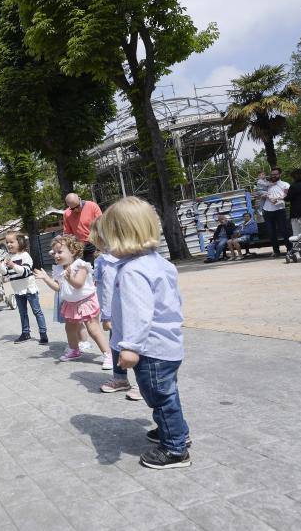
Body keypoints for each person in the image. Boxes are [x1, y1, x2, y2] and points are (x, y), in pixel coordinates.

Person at [100, 196, 191, 469]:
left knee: (160, 399)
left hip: (149, 349)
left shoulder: (132, 271)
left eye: (107, 238)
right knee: (168, 394)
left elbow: (139, 314)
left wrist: (129, 347)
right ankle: (177, 432)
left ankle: (175, 450)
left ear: (121, 237)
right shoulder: (160, 263)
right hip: (168, 345)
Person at [33, 235, 112, 369]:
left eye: (60, 252)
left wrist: (69, 278)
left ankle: (108, 354)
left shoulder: (80, 265)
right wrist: (46, 278)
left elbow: (79, 284)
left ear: (73, 251)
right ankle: (74, 350)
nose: (56, 255)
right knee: (69, 328)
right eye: (54, 253)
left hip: (86, 301)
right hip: (70, 303)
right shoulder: (58, 269)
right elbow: (58, 288)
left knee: (93, 329)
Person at [89, 220, 142, 400]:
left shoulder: (120, 259)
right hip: (114, 313)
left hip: (128, 312)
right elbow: (103, 290)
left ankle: (142, 382)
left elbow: (114, 289)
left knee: (135, 345)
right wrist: (107, 315)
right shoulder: (102, 260)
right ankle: (120, 378)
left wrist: (107, 315)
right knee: (115, 344)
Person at [0, 232, 48, 344]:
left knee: (37, 311)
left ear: (20, 242)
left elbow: (25, 272)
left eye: (11, 242)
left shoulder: (25, 256)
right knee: (22, 313)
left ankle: (43, 334)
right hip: (18, 290)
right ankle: (25, 333)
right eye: (7, 242)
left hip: (29, 289)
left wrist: (13, 265)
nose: (9, 244)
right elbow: (6, 274)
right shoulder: (8, 257)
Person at [62, 193, 103, 265]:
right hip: (79, 247)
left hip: (94, 243)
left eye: (78, 206)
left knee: (94, 269)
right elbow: (67, 233)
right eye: (72, 208)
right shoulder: (67, 214)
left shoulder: (92, 206)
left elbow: (101, 225)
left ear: (79, 199)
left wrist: (100, 245)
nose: (76, 210)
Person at [263, 167, 292, 257]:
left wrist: (278, 198)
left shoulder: (285, 184)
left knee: (284, 230)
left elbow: (288, 196)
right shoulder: (267, 185)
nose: (273, 176)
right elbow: (258, 194)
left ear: (280, 174)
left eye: (275, 174)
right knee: (271, 232)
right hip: (267, 210)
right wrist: (263, 195)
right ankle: (276, 251)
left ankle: (290, 249)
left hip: (280, 209)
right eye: (272, 174)